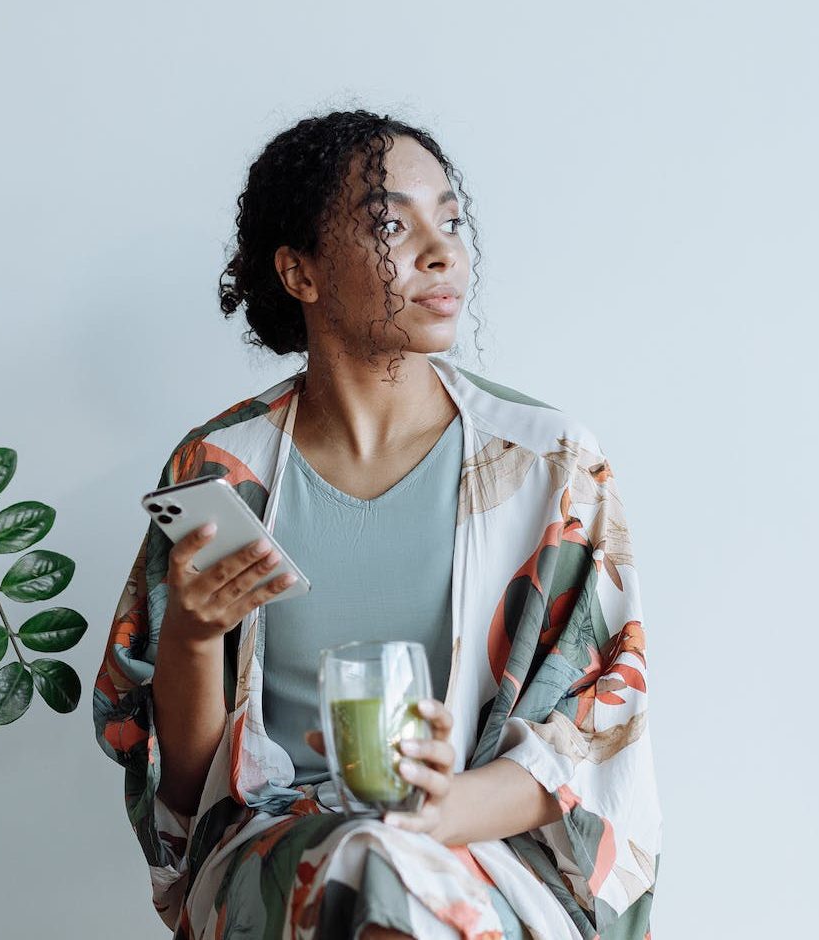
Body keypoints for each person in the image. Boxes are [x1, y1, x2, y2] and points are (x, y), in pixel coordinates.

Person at [92, 110, 660, 940]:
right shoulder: (219, 471)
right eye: (394, 223)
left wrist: (446, 807)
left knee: (382, 862)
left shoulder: (548, 464)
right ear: (301, 273)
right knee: (363, 860)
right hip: (272, 859)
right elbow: (185, 793)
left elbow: (600, 728)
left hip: (488, 854)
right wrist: (189, 636)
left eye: (452, 220)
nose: (443, 251)